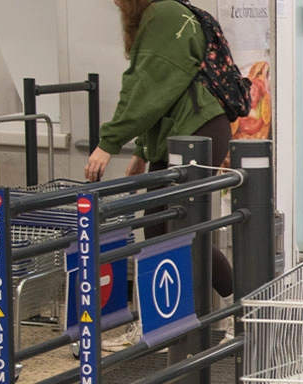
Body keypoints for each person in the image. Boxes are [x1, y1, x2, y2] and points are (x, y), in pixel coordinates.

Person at [85, 0, 234, 351]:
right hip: (180, 133)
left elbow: (146, 87)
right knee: (155, 227)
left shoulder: (163, 14)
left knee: (181, 229)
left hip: (197, 131)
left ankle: (244, 307)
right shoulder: (166, 14)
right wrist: (141, 151)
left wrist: (109, 143)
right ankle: (159, 324)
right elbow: (165, 93)